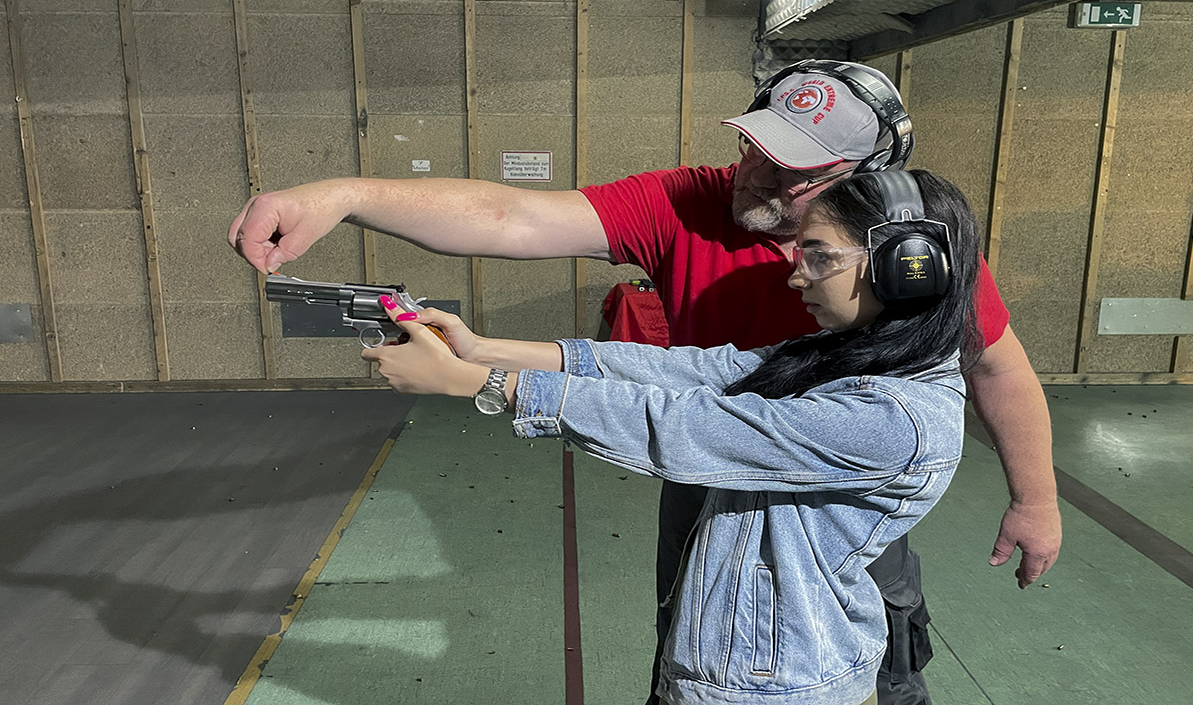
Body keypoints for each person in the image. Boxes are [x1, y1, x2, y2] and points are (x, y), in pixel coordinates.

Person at [228, 60, 1061, 704]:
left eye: (794, 175)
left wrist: (1036, 500)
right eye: (755, 150)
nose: (754, 179)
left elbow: (696, 424)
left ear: (896, 249)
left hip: (827, 511)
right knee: (703, 634)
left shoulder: (898, 374)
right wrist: (347, 201)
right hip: (710, 490)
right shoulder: (718, 232)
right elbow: (689, 367)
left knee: (852, 661)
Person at [360, 168, 981, 705]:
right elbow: (692, 370)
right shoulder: (844, 355)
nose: (798, 278)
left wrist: (484, 384)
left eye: (820, 257)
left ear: (906, 269)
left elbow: (687, 427)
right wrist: (483, 349)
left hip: (776, 684)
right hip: (738, 660)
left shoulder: (896, 415)